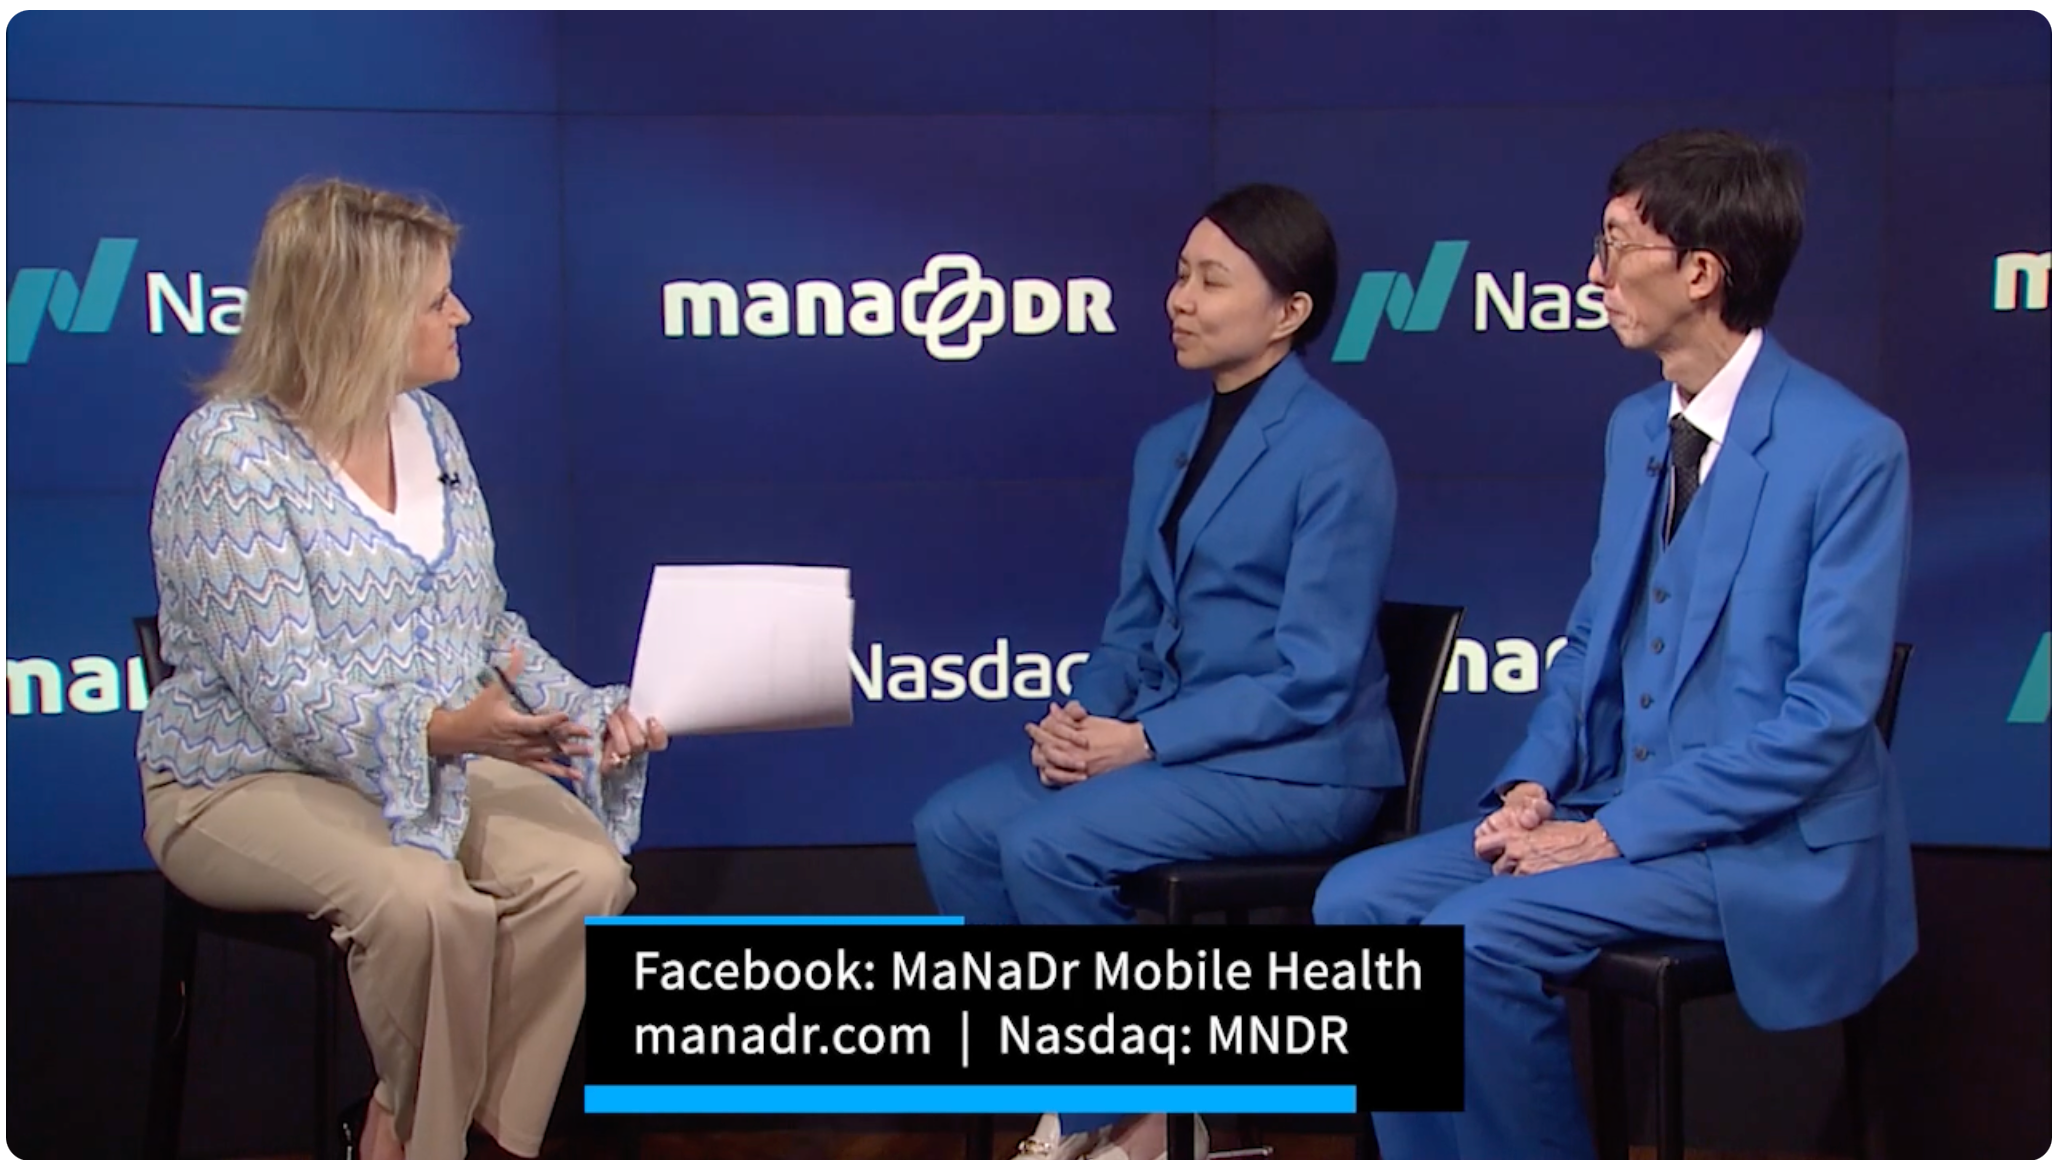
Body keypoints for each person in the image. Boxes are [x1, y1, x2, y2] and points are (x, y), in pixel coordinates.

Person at [1313, 129, 1917, 1158]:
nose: (1591, 274)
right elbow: (1594, 635)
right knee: (1357, 902)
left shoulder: (1849, 448)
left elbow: (1824, 719)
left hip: (1762, 848)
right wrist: (1534, 783)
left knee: (1474, 935)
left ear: (1701, 271)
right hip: (1610, 802)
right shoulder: (1636, 427)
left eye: (1614, 245)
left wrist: (1612, 834)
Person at [136, 178, 670, 1160]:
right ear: (358, 314)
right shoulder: (230, 459)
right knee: (426, 901)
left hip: (427, 763)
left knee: (584, 873)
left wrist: (585, 712)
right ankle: (419, 1148)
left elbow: (487, 627)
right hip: (244, 776)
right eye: (435, 300)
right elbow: (286, 696)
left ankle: (438, 1131)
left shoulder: (432, 430)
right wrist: (442, 732)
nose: (461, 314)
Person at [912, 183, 1405, 1161]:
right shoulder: (1165, 447)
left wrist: (1142, 740)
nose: (1180, 299)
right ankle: (1108, 1095)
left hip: (1298, 765)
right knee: (955, 826)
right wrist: (1079, 720)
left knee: (1048, 845)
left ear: (1288, 311)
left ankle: (1130, 1123)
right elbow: (1134, 627)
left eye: (1211, 281)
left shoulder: (1341, 451)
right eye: (1181, 274)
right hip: (1167, 744)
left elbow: (1315, 673)